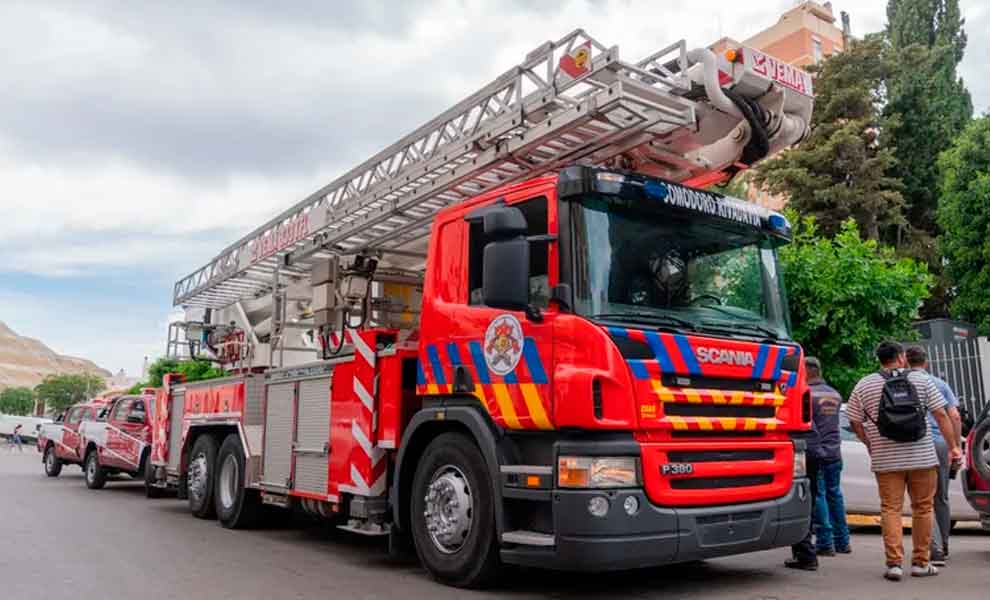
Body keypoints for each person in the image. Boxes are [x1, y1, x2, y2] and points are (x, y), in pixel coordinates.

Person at [846, 341, 962, 581]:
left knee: (891, 509)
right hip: (922, 456)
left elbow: (854, 421)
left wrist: (870, 443)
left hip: (885, 460)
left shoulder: (865, 384)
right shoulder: (921, 380)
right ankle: (921, 562)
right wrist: (953, 446)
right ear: (901, 357)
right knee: (923, 508)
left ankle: (894, 564)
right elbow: (941, 414)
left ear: (879, 359)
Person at [905, 345, 962, 566]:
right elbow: (954, 416)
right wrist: (954, 446)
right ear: (926, 362)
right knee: (941, 498)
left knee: (922, 498)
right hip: (940, 443)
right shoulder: (939, 384)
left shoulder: (906, 382)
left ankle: (933, 547)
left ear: (906, 362)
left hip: (917, 443)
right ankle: (944, 546)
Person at [805, 357, 851, 556]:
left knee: (820, 496)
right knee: (835, 495)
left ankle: (825, 543)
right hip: (834, 453)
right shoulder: (835, 394)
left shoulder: (807, 394)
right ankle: (843, 541)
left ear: (807, 371)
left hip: (817, 453)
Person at [784, 361, 823, 572]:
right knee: (810, 500)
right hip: (814, 450)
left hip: (802, 451)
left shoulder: (789, 392)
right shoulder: (802, 393)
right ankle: (806, 551)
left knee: (802, 500)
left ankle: (806, 554)